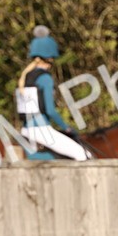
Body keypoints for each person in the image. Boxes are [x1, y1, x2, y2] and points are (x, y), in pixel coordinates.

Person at [16, 26, 92, 161]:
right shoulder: (45, 78)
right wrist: (66, 127)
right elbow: (50, 111)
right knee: (83, 154)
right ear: (50, 57)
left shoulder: (26, 77)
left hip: (26, 129)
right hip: (41, 130)